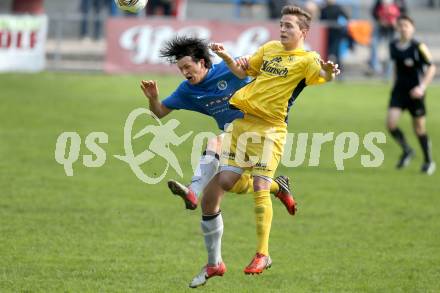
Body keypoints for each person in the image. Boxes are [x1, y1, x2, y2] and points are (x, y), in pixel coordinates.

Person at [189, 5, 339, 288]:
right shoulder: (269, 48)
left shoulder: (308, 59)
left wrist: (330, 72)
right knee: (227, 180)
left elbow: (323, 75)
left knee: (258, 186)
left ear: (303, 32)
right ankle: (278, 187)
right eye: (282, 24)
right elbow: (242, 69)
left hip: (271, 131)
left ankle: (263, 254)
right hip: (243, 124)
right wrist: (226, 57)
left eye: (289, 26)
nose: (282, 29)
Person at [140, 36, 297, 213]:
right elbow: (158, 113)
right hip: (235, 139)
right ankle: (278, 187)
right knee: (210, 202)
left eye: (187, 67)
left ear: (201, 62)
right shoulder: (187, 90)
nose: (184, 73)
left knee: (215, 143)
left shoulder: (229, 69)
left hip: (260, 132)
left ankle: (192, 191)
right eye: (181, 69)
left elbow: (267, 62)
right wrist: (153, 99)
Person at [386, 15, 436, 175]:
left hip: (415, 93)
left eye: (406, 26)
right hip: (399, 92)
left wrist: (421, 87)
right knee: (391, 124)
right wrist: (393, 84)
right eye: (401, 26)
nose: (403, 28)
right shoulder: (393, 45)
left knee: (419, 129)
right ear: (397, 28)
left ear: (412, 28)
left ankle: (428, 161)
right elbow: (396, 66)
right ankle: (407, 150)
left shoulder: (418, 47)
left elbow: (431, 68)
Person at [367, 0, 406, 76]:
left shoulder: (399, 1)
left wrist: (396, 21)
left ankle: (388, 72)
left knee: (391, 49)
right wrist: (380, 20)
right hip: (380, 27)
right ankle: (375, 66)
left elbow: (403, 12)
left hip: (392, 28)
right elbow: (374, 12)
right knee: (373, 44)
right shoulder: (379, 2)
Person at [319, 0, 349, 71]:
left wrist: (341, 25)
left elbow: (346, 17)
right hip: (327, 34)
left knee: (336, 52)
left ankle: (339, 69)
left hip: (336, 34)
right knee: (326, 52)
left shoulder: (337, 8)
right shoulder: (324, 9)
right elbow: (321, 20)